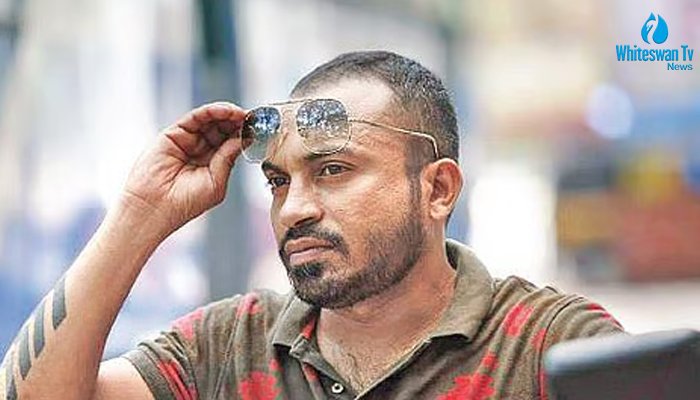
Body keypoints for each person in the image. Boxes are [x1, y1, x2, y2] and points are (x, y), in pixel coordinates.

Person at [0, 51, 623, 400]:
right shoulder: (228, 346)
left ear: (436, 190)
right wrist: (140, 213)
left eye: (332, 171)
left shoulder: (547, 347)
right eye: (278, 181)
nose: (294, 208)